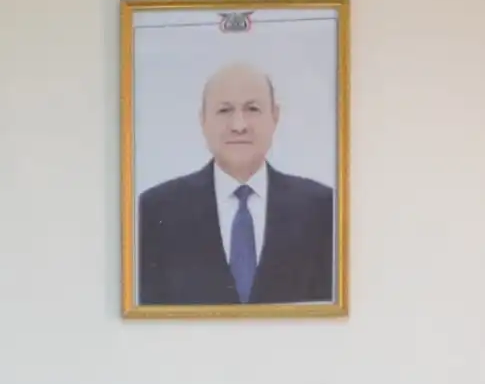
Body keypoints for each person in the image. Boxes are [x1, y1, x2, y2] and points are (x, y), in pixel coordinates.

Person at [136, 62, 337, 307]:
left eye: (252, 109)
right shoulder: (155, 211)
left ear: (275, 116)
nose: (238, 125)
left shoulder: (323, 208)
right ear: (202, 120)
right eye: (224, 110)